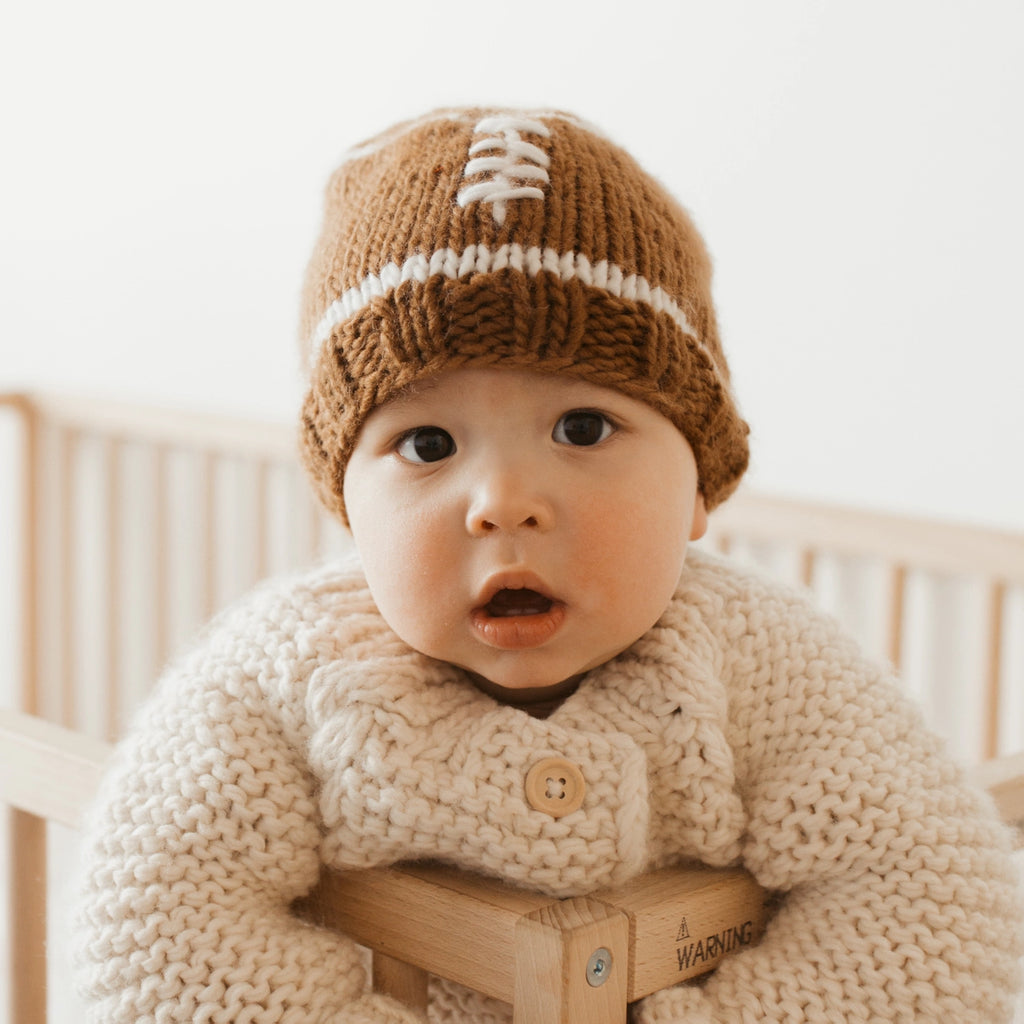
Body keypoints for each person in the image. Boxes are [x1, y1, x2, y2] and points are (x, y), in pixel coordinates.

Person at [74, 107, 1022, 1023]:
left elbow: (931, 903)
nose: (502, 500)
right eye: (428, 443)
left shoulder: (764, 663)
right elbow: (157, 927)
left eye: (582, 427)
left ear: (700, 485)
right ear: (349, 511)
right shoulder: (278, 678)